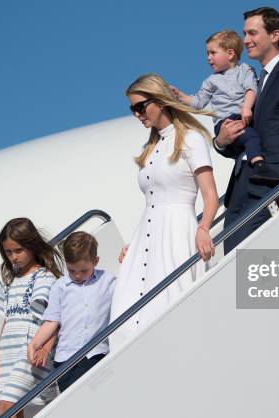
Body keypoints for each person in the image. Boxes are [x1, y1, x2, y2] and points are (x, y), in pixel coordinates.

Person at [109, 74, 219, 351]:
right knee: (127, 310)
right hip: (147, 237)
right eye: (132, 109)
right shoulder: (150, 149)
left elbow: (210, 195)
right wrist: (134, 242)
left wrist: (203, 227)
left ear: (160, 102)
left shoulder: (191, 140)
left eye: (140, 107)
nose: (137, 115)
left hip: (176, 230)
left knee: (170, 304)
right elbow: (151, 204)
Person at [214, 7, 279, 254]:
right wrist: (222, 141)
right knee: (233, 266)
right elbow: (251, 139)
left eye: (252, 33)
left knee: (248, 267)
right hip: (240, 190)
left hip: (270, 186)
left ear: (275, 35)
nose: (245, 40)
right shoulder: (253, 83)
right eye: (244, 34)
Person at [0, 218, 63, 417]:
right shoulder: (10, 281)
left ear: (32, 246)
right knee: (13, 409)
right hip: (8, 351)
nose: (13, 257)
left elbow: (54, 318)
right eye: (8, 252)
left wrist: (46, 348)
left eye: (18, 250)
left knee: (6, 408)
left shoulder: (44, 277)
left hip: (30, 348)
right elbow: (7, 320)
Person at [28, 232, 116, 393]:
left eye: (83, 270)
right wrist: (35, 343)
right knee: (73, 403)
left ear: (95, 261)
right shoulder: (60, 287)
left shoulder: (109, 281)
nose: (77, 275)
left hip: (97, 354)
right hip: (65, 360)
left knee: (99, 397)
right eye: (71, 270)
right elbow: (52, 321)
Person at [171, 30, 268, 172]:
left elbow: (250, 89)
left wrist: (246, 107)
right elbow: (198, 102)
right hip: (224, 122)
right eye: (207, 54)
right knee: (250, 136)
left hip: (243, 116)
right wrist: (180, 95)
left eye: (213, 53)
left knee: (250, 136)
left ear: (230, 54)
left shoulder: (245, 70)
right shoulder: (211, 81)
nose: (208, 58)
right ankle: (258, 162)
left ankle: (250, 162)